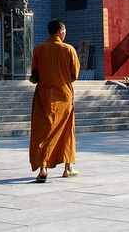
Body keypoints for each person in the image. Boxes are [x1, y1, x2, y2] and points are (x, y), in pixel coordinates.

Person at [29, 19, 81, 182]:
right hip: (63, 95)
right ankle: (68, 167)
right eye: (64, 31)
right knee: (66, 130)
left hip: (44, 96)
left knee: (43, 131)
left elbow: (34, 71)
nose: (65, 33)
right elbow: (75, 74)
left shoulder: (39, 49)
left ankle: (43, 168)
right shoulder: (69, 49)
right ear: (60, 31)